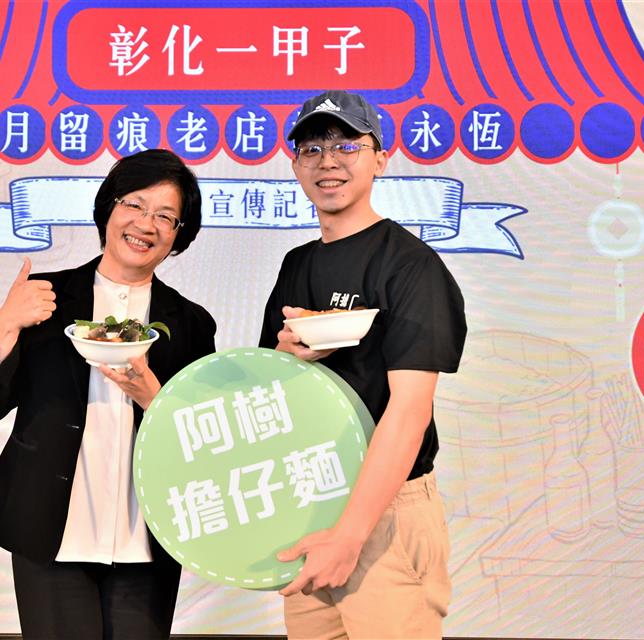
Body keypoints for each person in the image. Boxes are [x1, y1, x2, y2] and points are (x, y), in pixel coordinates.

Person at [0, 149, 216, 639]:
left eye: (166, 216)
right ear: (108, 209)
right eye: (134, 205)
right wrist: (5, 326)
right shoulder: (45, 298)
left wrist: (154, 399)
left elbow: (201, 440)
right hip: (51, 533)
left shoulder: (191, 324)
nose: (146, 224)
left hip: (146, 538)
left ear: (178, 235)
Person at [259, 90, 466, 639]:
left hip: (386, 509)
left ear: (380, 159)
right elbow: (270, 387)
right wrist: (286, 355)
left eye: (347, 145)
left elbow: (410, 410)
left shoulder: (410, 265)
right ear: (295, 166)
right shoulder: (297, 264)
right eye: (312, 148)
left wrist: (350, 535)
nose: (328, 160)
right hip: (313, 499)